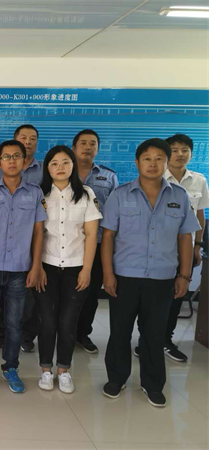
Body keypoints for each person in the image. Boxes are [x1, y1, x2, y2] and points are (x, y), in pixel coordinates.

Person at [101, 138, 200, 408]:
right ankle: (116, 379)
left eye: (159, 159)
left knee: (154, 334)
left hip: (162, 278)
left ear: (166, 163)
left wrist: (184, 276)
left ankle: (153, 384)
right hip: (125, 276)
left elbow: (185, 237)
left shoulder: (179, 196)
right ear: (137, 162)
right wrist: (108, 274)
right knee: (120, 331)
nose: (153, 164)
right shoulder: (120, 194)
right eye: (147, 158)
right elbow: (108, 236)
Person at [0, 140, 46, 395]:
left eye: (16, 156)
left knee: (15, 323)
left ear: (25, 161)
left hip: (20, 269)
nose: (12, 161)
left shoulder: (35, 193)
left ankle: (11, 367)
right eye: (6, 157)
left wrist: (36, 266)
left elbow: (39, 232)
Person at [34, 146, 102, 393]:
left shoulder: (86, 194)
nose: (60, 167)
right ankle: (45, 370)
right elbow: (36, 234)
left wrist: (87, 269)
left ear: (73, 165)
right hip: (47, 267)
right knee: (47, 321)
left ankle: (63, 370)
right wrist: (37, 267)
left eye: (65, 162)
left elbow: (91, 234)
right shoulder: (39, 194)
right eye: (54, 163)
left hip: (76, 267)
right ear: (47, 168)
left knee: (68, 321)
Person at [0, 124, 43, 352]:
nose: (28, 141)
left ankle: (26, 336)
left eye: (32, 138)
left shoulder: (43, 172)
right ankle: (1, 333)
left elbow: (39, 225)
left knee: (27, 298)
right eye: (24, 137)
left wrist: (37, 262)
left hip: (25, 246)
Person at [160, 134, 208, 362]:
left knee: (177, 296)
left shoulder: (199, 180)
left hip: (186, 251)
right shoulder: (156, 177)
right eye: (175, 150)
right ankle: (146, 340)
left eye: (185, 150)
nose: (180, 154)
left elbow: (200, 215)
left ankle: (165, 340)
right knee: (155, 298)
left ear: (191, 153)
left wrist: (198, 245)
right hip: (159, 250)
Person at [72, 129, 119, 354]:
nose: (88, 147)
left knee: (90, 293)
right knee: (64, 291)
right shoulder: (61, 170)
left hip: (99, 243)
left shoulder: (109, 176)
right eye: (83, 143)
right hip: (67, 243)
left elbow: (114, 212)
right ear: (74, 148)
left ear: (98, 149)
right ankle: (63, 333)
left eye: (92, 143)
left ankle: (83, 334)